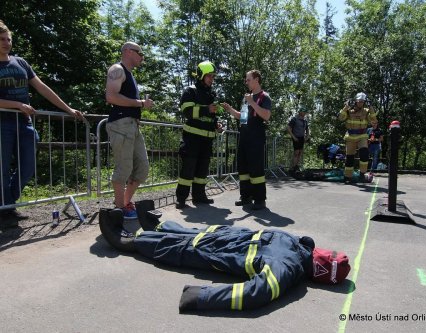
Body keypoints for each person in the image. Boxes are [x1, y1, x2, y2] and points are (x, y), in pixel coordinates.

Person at [98, 201, 351, 312]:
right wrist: (201, 297)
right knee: (171, 244)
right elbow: (256, 295)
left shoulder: (296, 247)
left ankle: (132, 235)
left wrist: (202, 297)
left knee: (176, 239)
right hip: (214, 247)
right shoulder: (290, 265)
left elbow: (256, 293)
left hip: (216, 242)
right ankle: (135, 234)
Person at [0, 20, 84, 228]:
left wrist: (68, 109)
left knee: (28, 166)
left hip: (24, 122)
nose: (6, 42)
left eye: (8, 39)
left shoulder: (21, 63)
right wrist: (17, 104)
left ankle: (6, 204)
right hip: (2, 123)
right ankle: (6, 210)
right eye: (1, 39)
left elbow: (42, 88)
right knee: (1, 169)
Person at [105, 42, 153, 219]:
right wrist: (140, 103)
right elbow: (111, 96)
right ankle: (119, 210)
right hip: (120, 124)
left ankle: (125, 203)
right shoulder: (117, 69)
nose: (142, 57)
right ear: (127, 51)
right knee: (124, 168)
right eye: (140, 53)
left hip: (132, 125)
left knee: (142, 167)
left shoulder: (130, 74)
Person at [222, 70, 272, 210]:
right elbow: (243, 117)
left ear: (256, 80)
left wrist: (252, 102)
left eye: (248, 79)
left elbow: (266, 116)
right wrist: (230, 110)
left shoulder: (264, 97)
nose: (246, 82)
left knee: (256, 169)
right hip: (244, 136)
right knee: (243, 168)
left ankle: (260, 200)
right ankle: (246, 197)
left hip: (256, 137)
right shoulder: (246, 98)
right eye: (246, 80)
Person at [175, 61, 221, 209]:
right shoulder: (190, 91)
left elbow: (212, 115)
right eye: (209, 76)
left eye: (213, 77)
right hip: (192, 138)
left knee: (202, 170)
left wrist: (216, 125)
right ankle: (181, 199)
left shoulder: (211, 94)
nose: (211, 79)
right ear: (201, 74)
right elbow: (187, 111)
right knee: (188, 169)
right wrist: (206, 109)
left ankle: (199, 196)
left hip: (207, 139)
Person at [338, 92, 377, 183]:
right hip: (350, 136)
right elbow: (340, 118)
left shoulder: (367, 111)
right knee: (349, 157)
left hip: (362, 135)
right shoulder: (349, 110)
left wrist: (371, 108)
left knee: (364, 153)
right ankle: (348, 177)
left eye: (362, 102)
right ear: (355, 101)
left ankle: (362, 175)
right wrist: (345, 107)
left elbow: (374, 121)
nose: (360, 103)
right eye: (359, 101)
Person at [287, 107, 309, 172]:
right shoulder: (294, 119)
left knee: (300, 153)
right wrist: (293, 137)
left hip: (302, 138)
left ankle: (297, 166)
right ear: (300, 112)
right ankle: (293, 167)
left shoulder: (305, 121)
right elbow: (288, 128)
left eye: (305, 112)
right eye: (303, 111)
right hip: (296, 137)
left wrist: (307, 136)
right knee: (296, 152)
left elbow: (307, 130)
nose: (305, 113)